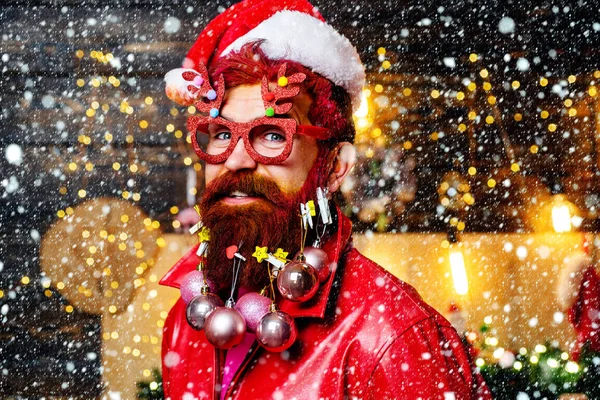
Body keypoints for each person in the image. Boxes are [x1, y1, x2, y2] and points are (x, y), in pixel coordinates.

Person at [160, 0, 491, 398]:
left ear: (335, 166)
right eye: (221, 133)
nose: (236, 159)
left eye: (272, 135)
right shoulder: (186, 318)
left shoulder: (392, 336)